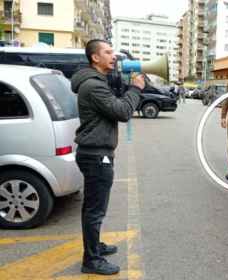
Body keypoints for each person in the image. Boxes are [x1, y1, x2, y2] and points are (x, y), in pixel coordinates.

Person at [71, 39, 145, 275]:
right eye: (109, 52)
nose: (114, 56)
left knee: (90, 208)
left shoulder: (95, 82)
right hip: (96, 157)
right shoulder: (94, 86)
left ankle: (94, 247)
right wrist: (135, 89)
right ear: (95, 57)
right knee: (95, 210)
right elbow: (123, 112)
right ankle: (91, 260)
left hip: (94, 154)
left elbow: (114, 107)